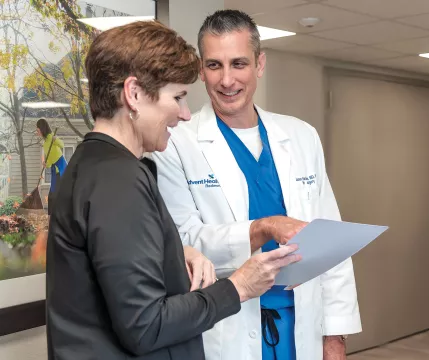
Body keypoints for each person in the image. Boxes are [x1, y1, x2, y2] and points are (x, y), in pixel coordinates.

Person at [45, 20, 301, 360]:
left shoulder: (92, 165)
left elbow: (113, 266)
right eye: (177, 96)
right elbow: (145, 325)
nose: (183, 114)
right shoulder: (117, 182)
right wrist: (238, 287)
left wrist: (174, 253)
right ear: (134, 94)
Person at [152, 9, 362, 360]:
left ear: (259, 65)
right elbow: (182, 243)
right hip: (226, 328)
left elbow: (331, 242)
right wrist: (263, 228)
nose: (227, 80)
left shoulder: (300, 135)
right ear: (201, 70)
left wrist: (335, 335)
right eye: (215, 65)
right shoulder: (175, 143)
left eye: (239, 63)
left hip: (302, 325)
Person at [36, 118, 67, 214]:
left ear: (42, 129)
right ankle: (50, 219)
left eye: (37, 130)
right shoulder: (45, 144)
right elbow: (50, 161)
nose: (37, 132)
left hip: (61, 169)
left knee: (55, 196)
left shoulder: (51, 136)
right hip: (55, 170)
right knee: (51, 197)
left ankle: (55, 218)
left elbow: (62, 145)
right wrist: (46, 164)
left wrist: (56, 139)